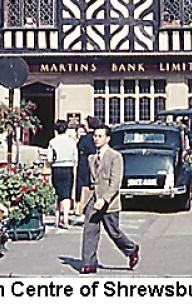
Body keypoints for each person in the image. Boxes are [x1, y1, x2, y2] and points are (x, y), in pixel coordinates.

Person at [79, 124, 139, 274]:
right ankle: (89, 263)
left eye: (100, 136)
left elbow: (115, 183)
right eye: (95, 136)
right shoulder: (91, 158)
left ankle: (131, 249)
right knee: (89, 231)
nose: (96, 139)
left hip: (109, 201)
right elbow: (89, 182)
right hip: (93, 199)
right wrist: (83, 201)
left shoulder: (115, 157)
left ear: (107, 138)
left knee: (113, 232)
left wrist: (104, 199)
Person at [48, 120, 78, 229]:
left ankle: (57, 218)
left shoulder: (53, 142)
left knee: (57, 193)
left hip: (56, 167)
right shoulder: (72, 142)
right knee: (66, 194)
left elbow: (49, 158)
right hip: (68, 167)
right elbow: (75, 157)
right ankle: (65, 219)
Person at [74, 116, 99, 221]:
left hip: (84, 164)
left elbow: (79, 147)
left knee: (82, 185)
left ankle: (81, 207)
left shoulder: (85, 138)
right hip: (96, 164)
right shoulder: (96, 137)